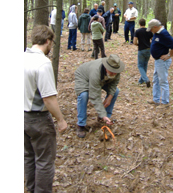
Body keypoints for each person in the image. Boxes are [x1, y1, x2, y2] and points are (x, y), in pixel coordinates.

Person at [24, 25, 68, 193]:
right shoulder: (43, 63)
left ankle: (31, 188)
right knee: (44, 161)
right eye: (52, 43)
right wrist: (61, 119)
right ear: (48, 41)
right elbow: (49, 99)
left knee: (29, 156)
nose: (51, 47)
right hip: (38, 119)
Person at [74, 54, 125, 138]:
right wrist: (102, 113)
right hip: (84, 77)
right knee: (84, 95)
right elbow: (94, 96)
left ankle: (106, 119)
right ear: (106, 67)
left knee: (115, 91)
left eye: (115, 71)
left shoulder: (116, 69)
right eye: (111, 71)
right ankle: (81, 124)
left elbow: (114, 84)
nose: (113, 73)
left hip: (102, 80)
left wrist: (110, 97)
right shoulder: (96, 72)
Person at [146, 19, 173, 109]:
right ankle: (156, 99)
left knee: (163, 81)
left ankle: (165, 102)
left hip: (162, 61)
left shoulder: (164, 34)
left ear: (155, 27)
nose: (151, 31)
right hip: (157, 61)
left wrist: (169, 55)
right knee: (156, 80)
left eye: (151, 29)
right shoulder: (157, 33)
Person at [133, 18, 153, 87]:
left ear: (139, 24)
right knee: (145, 65)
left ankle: (146, 79)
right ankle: (141, 81)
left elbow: (134, 42)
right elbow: (153, 40)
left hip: (141, 50)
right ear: (145, 23)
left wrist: (139, 44)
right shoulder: (149, 31)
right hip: (148, 49)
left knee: (140, 65)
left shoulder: (138, 31)